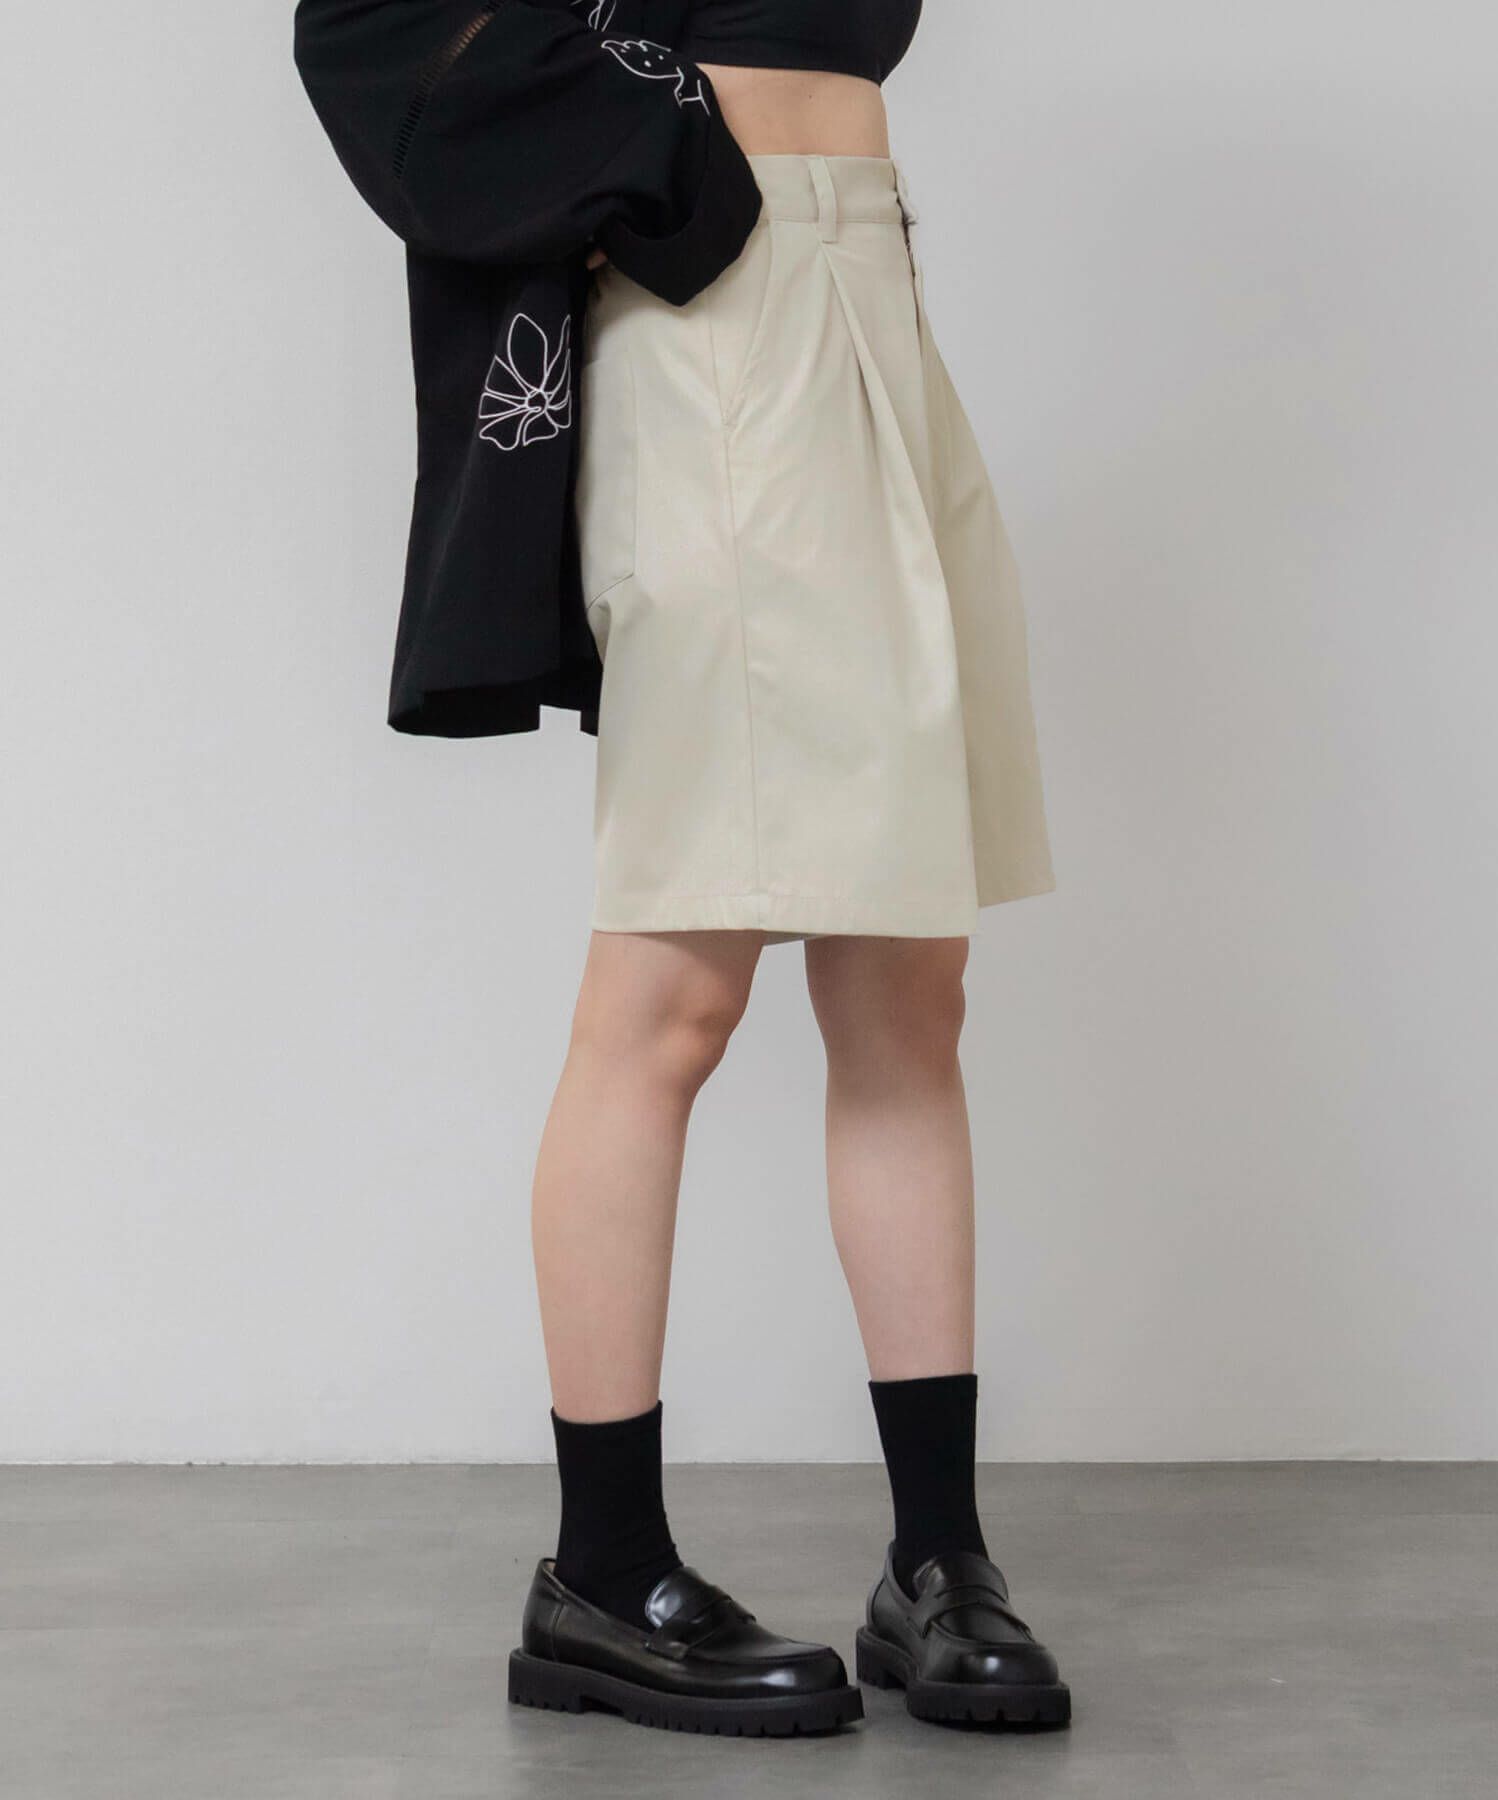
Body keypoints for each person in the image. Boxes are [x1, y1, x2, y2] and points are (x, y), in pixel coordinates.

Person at [295, 0, 1067, 1739]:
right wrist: (665, 162)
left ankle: (938, 1560)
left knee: (909, 986)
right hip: (714, 336)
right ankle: (604, 1567)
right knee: (672, 994)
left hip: (878, 305)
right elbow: (367, 25)